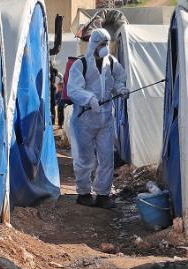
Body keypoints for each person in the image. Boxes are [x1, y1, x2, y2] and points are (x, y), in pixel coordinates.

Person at [65, 28, 127, 208]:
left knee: (107, 157)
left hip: (105, 118)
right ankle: (83, 193)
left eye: (106, 43)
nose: (104, 47)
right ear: (93, 44)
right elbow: (73, 90)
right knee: (84, 159)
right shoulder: (81, 64)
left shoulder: (111, 63)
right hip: (83, 119)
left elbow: (118, 80)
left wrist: (120, 89)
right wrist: (89, 98)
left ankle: (103, 194)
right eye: (101, 44)